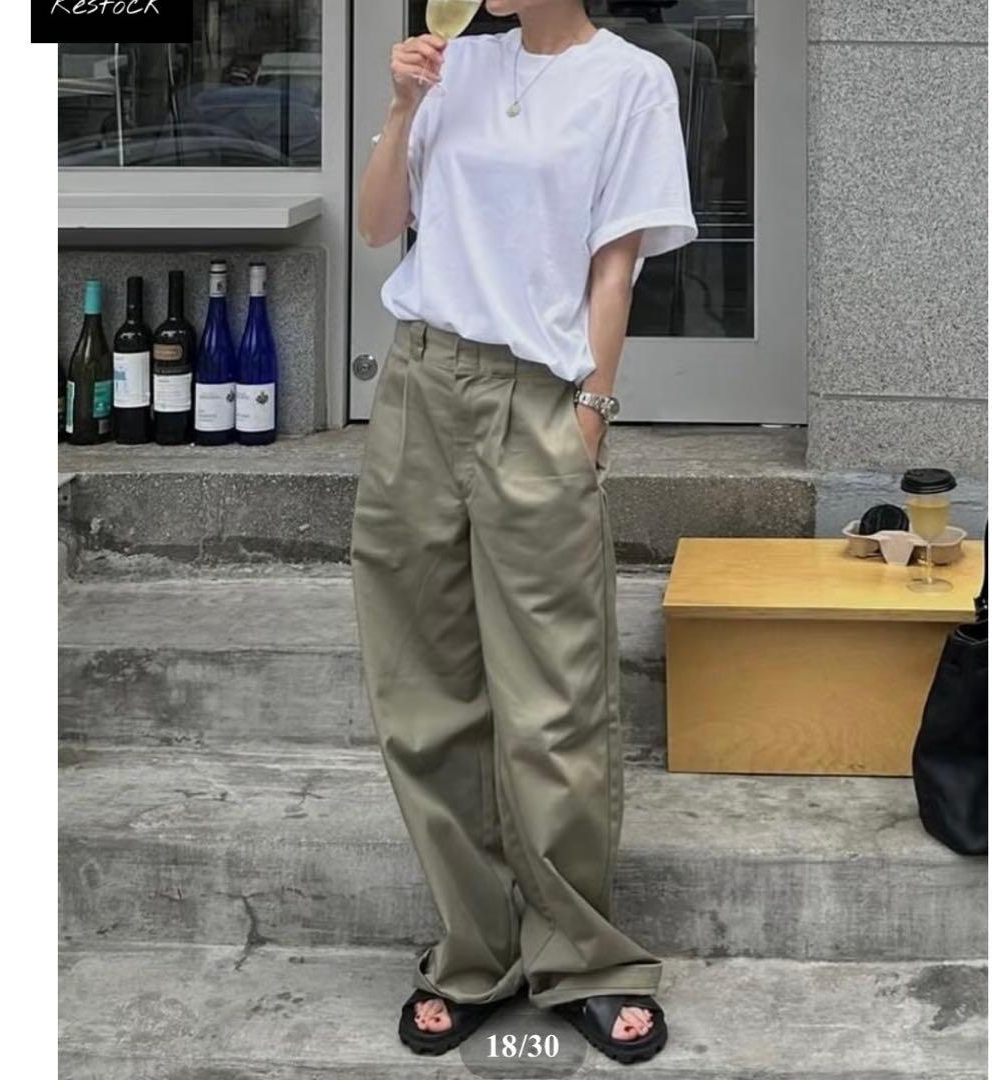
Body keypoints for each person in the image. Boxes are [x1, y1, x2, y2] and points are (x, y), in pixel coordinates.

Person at [351, 0, 696, 1065]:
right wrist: (401, 110)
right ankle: (474, 951)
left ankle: (582, 956)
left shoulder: (630, 81)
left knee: (554, 700)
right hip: (418, 387)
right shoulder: (449, 67)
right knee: (423, 693)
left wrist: (590, 412)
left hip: (536, 401)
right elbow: (377, 226)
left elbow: (614, 265)